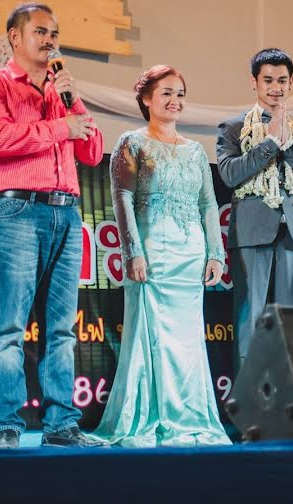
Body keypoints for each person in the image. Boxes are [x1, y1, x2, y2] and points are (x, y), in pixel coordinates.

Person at [0, 2, 104, 449]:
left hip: (66, 211)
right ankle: (6, 424)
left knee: (62, 328)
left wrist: (70, 98)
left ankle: (62, 425)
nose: (50, 40)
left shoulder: (61, 90)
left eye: (55, 33)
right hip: (19, 211)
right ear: (14, 37)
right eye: (41, 32)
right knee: (11, 326)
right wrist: (62, 127)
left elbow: (94, 152)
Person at [93, 66, 231, 447]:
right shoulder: (131, 143)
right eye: (167, 93)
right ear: (146, 99)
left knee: (187, 341)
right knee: (150, 337)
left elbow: (208, 203)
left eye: (181, 94)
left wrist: (215, 253)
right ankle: (148, 417)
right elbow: (121, 198)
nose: (175, 101)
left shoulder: (195, 151)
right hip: (151, 253)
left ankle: (188, 417)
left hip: (190, 254)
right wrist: (132, 251)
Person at [216, 49, 293, 369]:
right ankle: (247, 407)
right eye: (268, 80)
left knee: (288, 319)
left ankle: (285, 406)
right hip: (252, 231)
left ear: (291, 83)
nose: (275, 87)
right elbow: (230, 174)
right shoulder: (234, 127)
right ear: (254, 83)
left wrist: (289, 146)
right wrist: (269, 144)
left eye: (282, 80)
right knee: (250, 316)